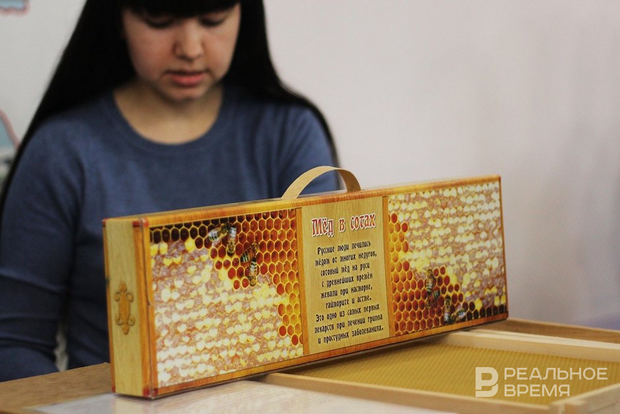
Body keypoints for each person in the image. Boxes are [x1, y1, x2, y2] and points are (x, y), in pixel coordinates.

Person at [0, 0, 339, 381]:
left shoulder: (289, 134)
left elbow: (325, 316)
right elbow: (14, 345)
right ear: (117, 18)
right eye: (159, 19)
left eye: (213, 19)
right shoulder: (62, 152)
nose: (190, 48)